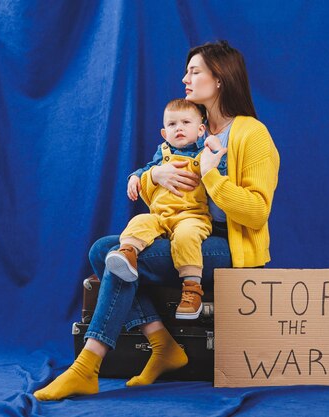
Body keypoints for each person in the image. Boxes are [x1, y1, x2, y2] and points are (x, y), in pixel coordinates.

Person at [34, 40, 280, 401]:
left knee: (110, 256)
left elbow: (257, 212)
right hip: (181, 229)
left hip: (226, 244)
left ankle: (87, 367)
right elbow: (164, 199)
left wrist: (212, 177)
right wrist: (155, 177)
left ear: (221, 78)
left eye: (194, 71)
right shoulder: (190, 128)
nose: (185, 78)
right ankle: (162, 344)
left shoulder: (252, 134)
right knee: (105, 249)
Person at [105, 98, 220, 320]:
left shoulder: (203, 154)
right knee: (139, 221)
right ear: (164, 133)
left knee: (187, 237)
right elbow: (148, 168)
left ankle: (192, 290)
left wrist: (216, 152)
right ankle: (127, 254)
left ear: (200, 130)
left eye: (186, 122)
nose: (179, 128)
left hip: (191, 216)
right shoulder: (163, 153)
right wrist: (136, 176)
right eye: (172, 124)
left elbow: (219, 173)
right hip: (160, 216)